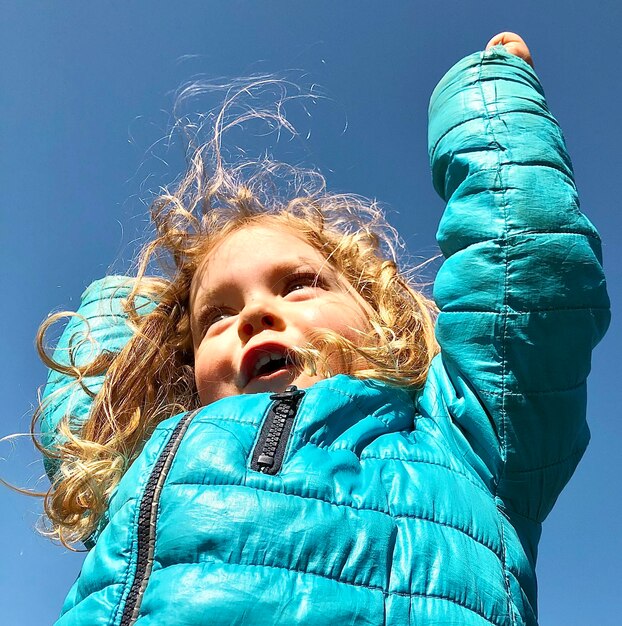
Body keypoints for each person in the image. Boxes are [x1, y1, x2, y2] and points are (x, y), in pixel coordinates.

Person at [35, 33, 609, 625]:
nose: (254, 315)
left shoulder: (466, 437)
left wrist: (491, 100)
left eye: (297, 284)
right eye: (216, 316)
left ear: (378, 313)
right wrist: (116, 310)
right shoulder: (139, 464)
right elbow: (86, 424)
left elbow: (525, 267)